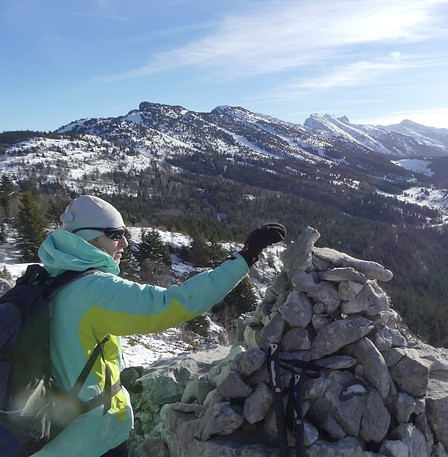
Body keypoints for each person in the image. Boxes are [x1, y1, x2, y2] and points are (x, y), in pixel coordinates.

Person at [32, 195, 285, 457]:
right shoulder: (94, 289)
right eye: (115, 234)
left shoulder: (46, 279)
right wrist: (245, 257)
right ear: (89, 237)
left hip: (47, 437)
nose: (125, 242)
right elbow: (173, 303)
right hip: (90, 440)